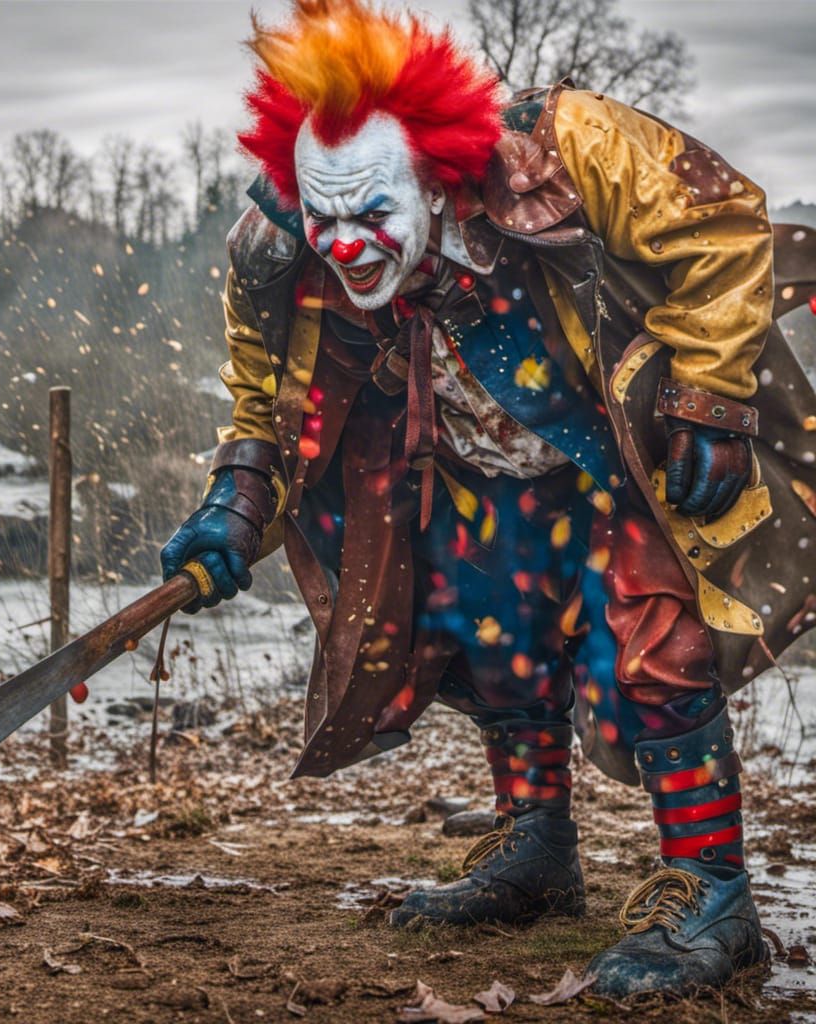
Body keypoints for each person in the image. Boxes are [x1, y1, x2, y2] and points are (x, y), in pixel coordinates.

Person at [161, 0, 816, 998]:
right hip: (469, 466)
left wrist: (710, 399)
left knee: (649, 639)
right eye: (323, 216)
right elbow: (268, 378)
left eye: (370, 211)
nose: (343, 244)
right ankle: (536, 852)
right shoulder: (281, 238)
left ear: (430, 173)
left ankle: (712, 897)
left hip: (614, 452)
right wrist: (240, 492)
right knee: (487, 625)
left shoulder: (564, 149)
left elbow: (722, 226)